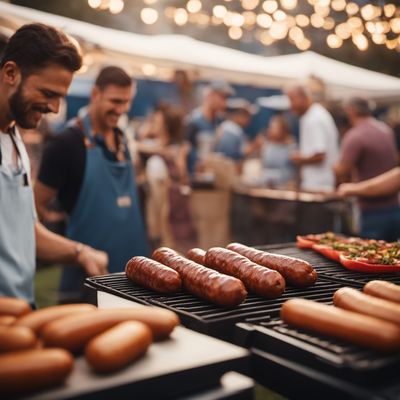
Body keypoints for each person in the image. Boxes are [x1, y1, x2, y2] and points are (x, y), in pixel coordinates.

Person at [0, 23, 108, 304]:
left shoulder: (13, 138)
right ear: (11, 73)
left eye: (60, 96)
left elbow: (24, 230)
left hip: (19, 316)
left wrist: (80, 252)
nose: (55, 108)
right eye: (48, 94)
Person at [35, 66, 149, 303]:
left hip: (133, 274)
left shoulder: (121, 139)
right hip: (88, 277)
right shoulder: (65, 144)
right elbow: (33, 207)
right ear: (96, 94)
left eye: (127, 102)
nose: (122, 109)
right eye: (115, 101)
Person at [334, 97, 400, 241]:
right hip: (394, 207)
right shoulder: (386, 130)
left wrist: (334, 167)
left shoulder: (355, 135)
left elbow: (342, 170)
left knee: (371, 257)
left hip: (371, 211)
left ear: (352, 110)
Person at [138, 103, 196, 252]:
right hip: (155, 209)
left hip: (171, 208)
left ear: (165, 125)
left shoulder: (178, 149)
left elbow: (182, 175)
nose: (152, 124)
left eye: (156, 122)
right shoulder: (151, 147)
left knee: (172, 249)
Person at [286, 84, 339, 192]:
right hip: (319, 184)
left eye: (292, 100)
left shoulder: (314, 119)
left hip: (318, 186)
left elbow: (320, 156)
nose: (291, 106)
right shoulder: (313, 115)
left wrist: (298, 158)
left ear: (304, 98)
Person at [186, 80, 234, 174]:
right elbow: (183, 151)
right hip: (193, 177)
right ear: (210, 95)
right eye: (222, 97)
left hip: (209, 176)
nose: (224, 103)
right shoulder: (193, 121)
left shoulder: (219, 122)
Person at [257, 114, 296, 189]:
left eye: (274, 127)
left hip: (284, 189)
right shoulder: (266, 146)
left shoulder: (292, 148)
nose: (270, 129)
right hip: (266, 187)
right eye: (270, 127)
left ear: (283, 129)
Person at [214, 98, 255, 166]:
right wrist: (246, 152)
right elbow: (228, 157)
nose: (249, 120)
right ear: (238, 115)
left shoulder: (230, 128)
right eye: (247, 116)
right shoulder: (230, 131)